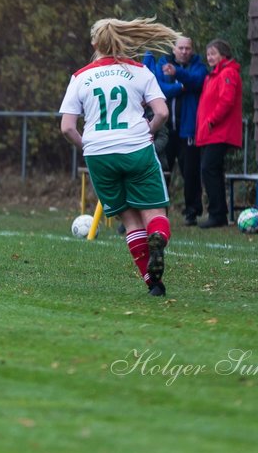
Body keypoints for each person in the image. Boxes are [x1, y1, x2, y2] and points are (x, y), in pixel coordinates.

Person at [60, 17, 180, 296]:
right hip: (136, 149)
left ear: (94, 43)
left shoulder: (80, 76)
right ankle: (158, 239)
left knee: (129, 221)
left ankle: (153, 284)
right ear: (122, 40)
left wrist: (87, 147)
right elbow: (162, 112)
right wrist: (148, 132)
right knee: (154, 213)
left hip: (100, 155)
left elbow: (67, 127)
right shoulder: (139, 72)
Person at [194, 39, 242, 228]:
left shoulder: (228, 73)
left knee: (209, 169)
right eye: (208, 54)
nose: (210, 57)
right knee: (210, 170)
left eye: (213, 53)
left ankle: (217, 214)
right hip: (210, 132)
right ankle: (218, 212)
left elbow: (226, 101)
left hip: (219, 131)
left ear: (223, 54)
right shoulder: (212, 75)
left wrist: (211, 120)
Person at [161, 36, 207, 225]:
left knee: (191, 173)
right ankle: (159, 212)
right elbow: (161, 88)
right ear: (173, 49)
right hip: (165, 131)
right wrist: (181, 86)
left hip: (188, 130)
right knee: (162, 172)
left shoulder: (199, 66)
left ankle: (192, 212)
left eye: (188, 48)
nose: (184, 51)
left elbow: (197, 81)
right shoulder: (163, 63)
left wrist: (177, 74)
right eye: (181, 48)